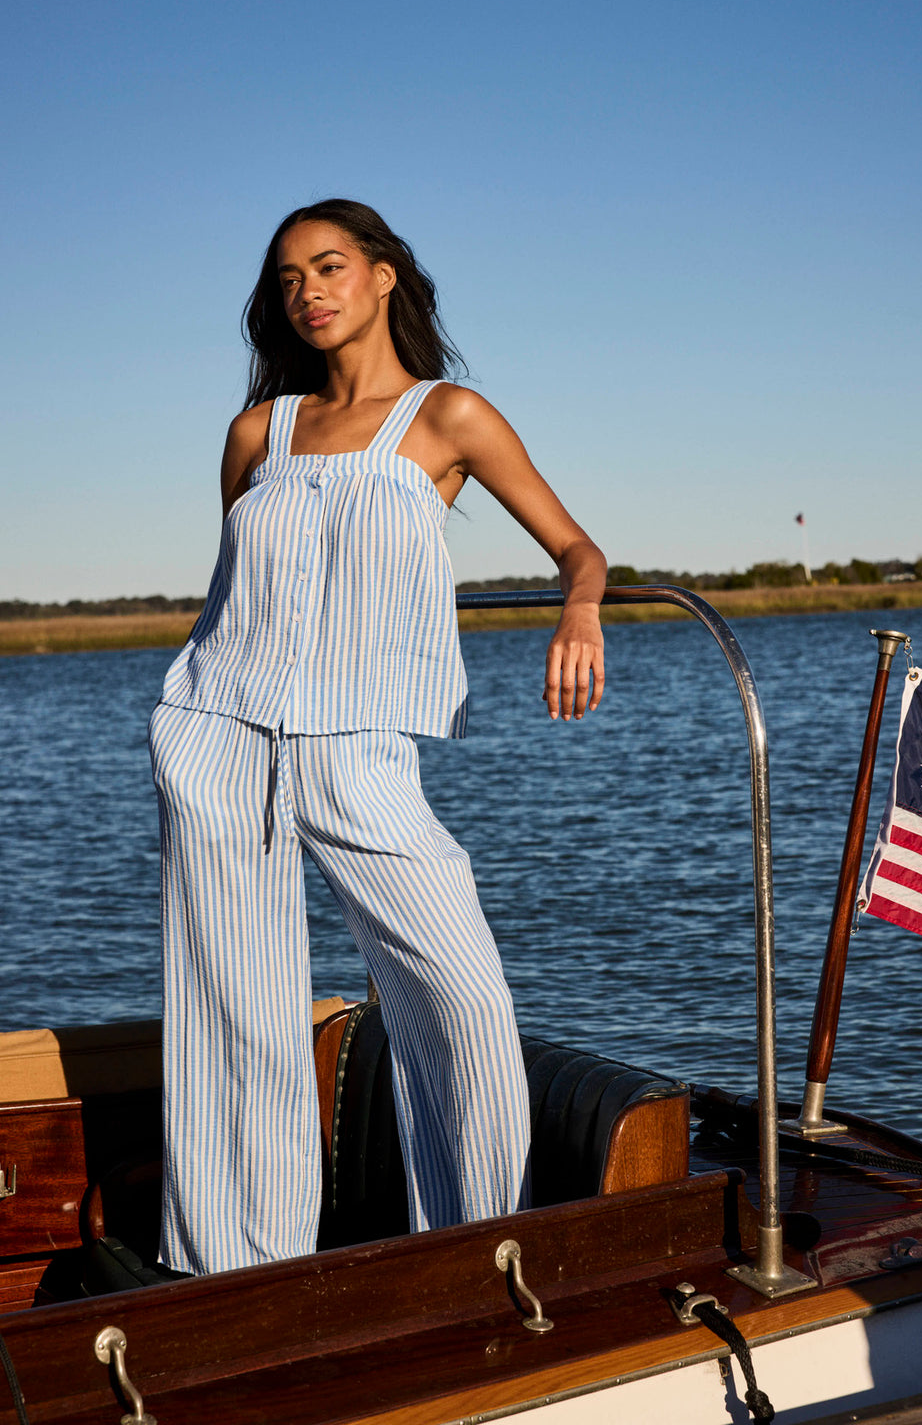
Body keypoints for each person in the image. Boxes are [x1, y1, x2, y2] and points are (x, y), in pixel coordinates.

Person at [149, 199, 606, 1275]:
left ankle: (479, 1248)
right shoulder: (260, 431)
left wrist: (579, 608)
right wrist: (187, 726)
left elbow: (575, 546)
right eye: (288, 277)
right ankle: (229, 1268)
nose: (307, 290)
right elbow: (230, 593)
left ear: (385, 274)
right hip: (219, 734)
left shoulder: (449, 418)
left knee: (460, 993)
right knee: (234, 1012)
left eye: (329, 266)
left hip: (360, 749)